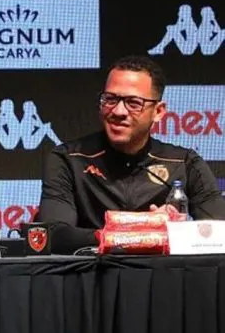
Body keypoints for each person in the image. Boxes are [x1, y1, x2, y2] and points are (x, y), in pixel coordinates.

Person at [38, 55, 225, 254]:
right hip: (93, 271)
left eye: (134, 103)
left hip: (162, 273)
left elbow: (220, 232)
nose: (118, 111)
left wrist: (175, 231)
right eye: (110, 99)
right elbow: (51, 234)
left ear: (158, 111)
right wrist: (144, 226)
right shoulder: (69, 159)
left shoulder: (184, 163)